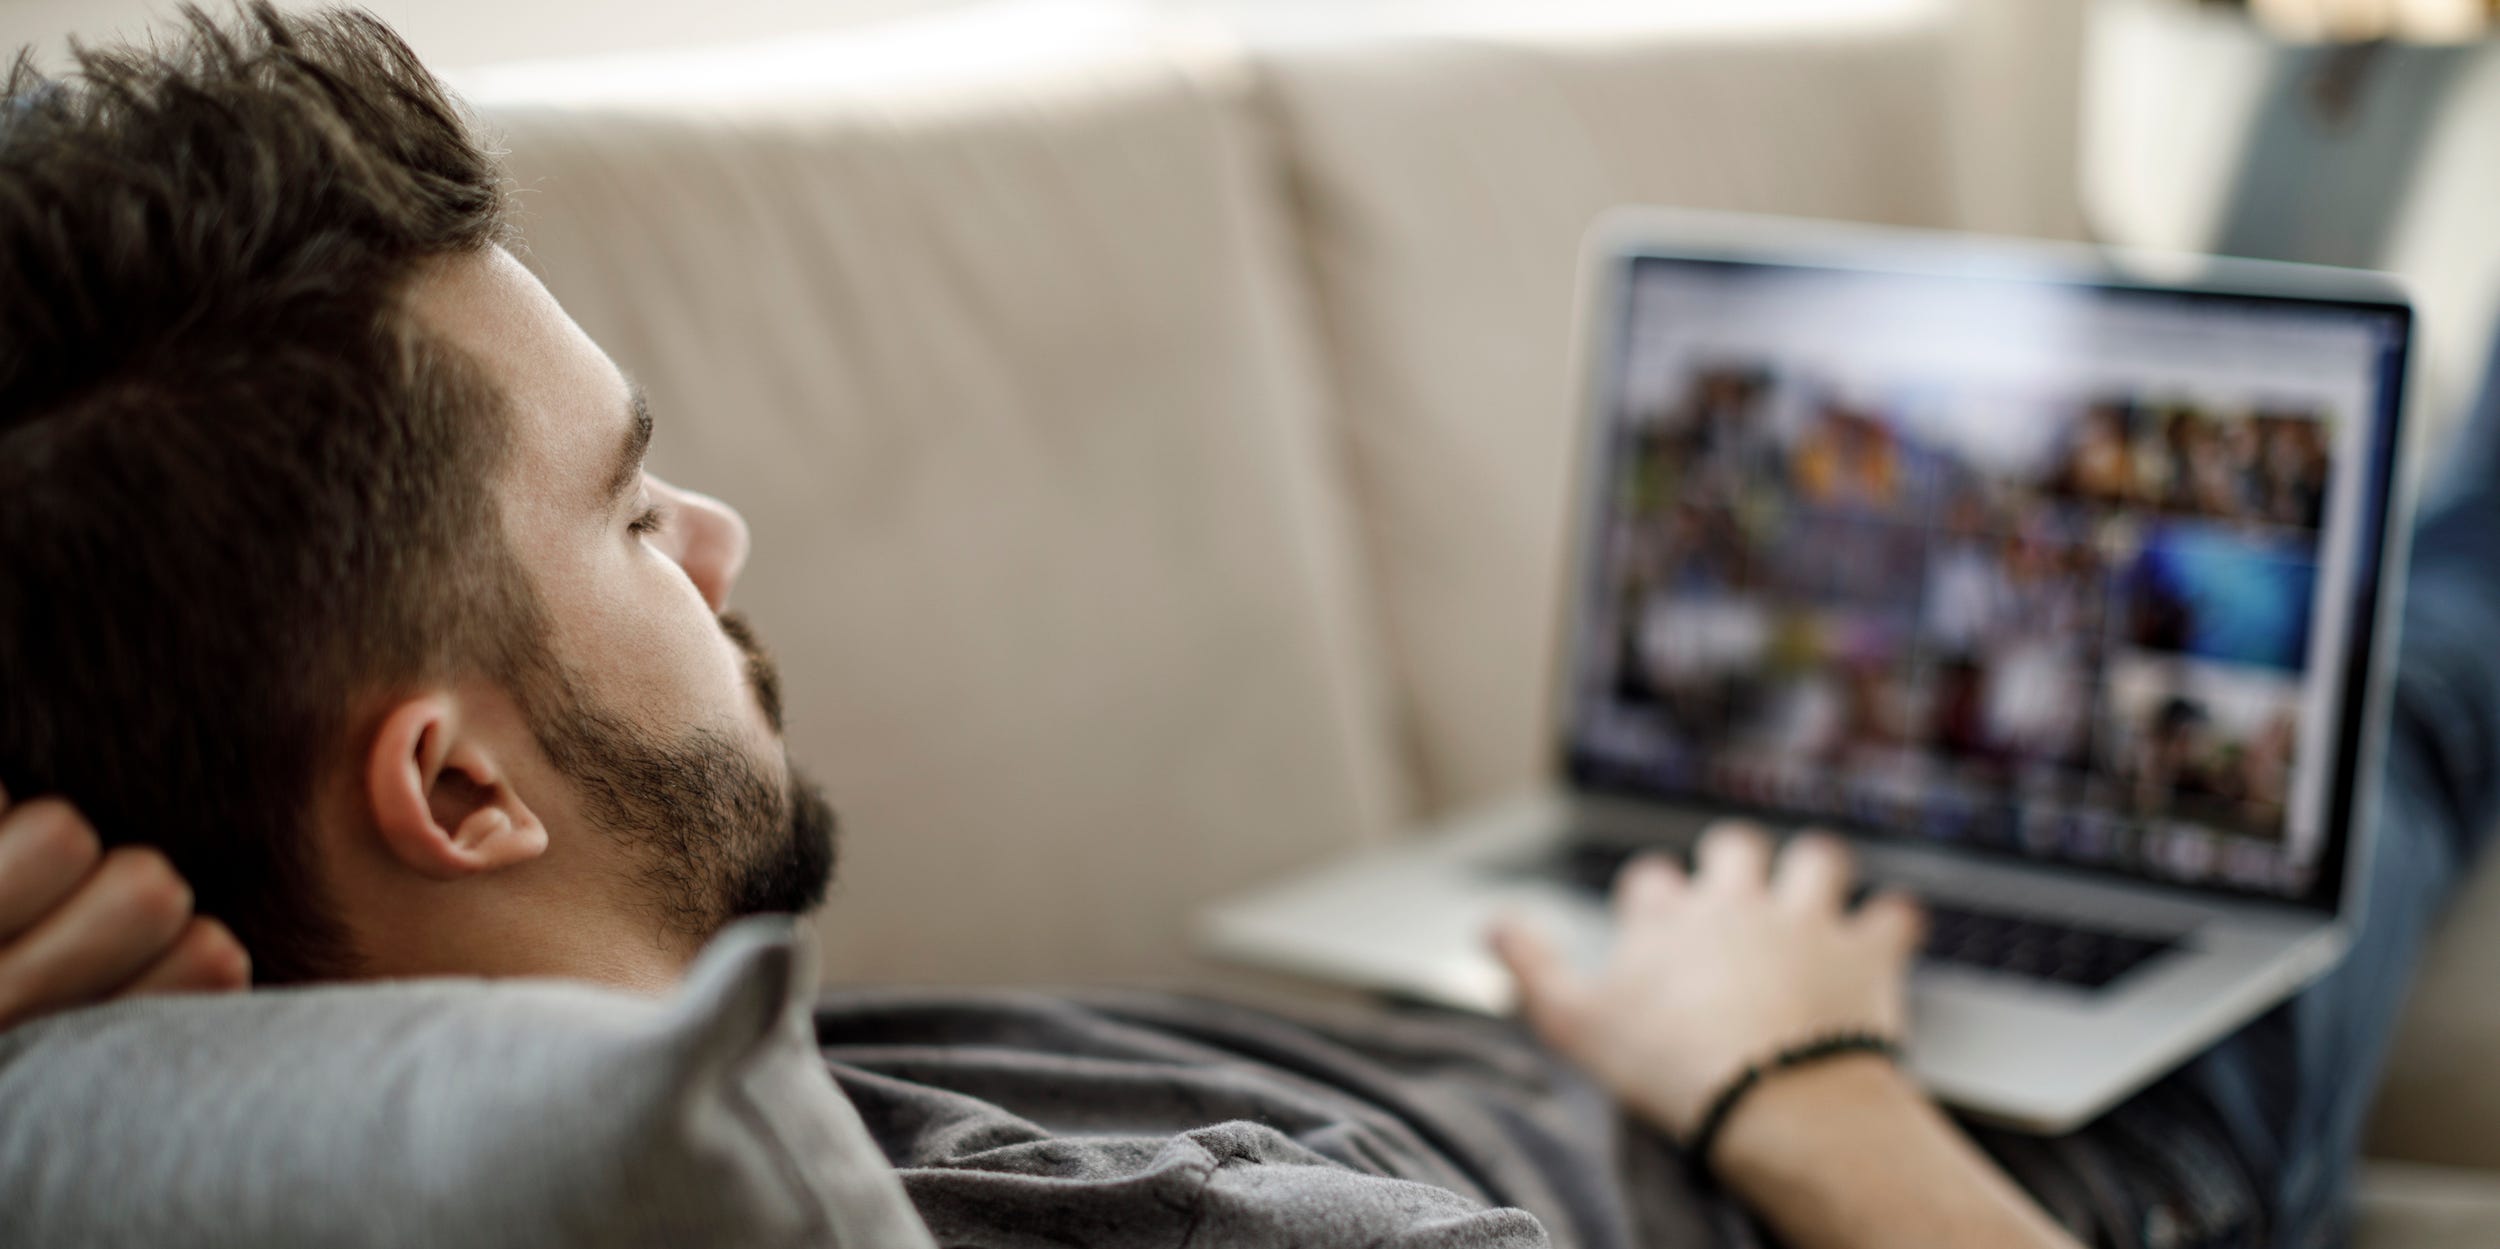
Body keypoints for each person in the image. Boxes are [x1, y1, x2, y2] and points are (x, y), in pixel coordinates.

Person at [6, 7, 2498, 1247]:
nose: (721, 538)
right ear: (456, 786)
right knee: (2415, 647)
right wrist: (1790, 1073)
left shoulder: (260, 1044)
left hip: (1578, 1035)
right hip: (1925, 1150)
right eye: (634, 506)